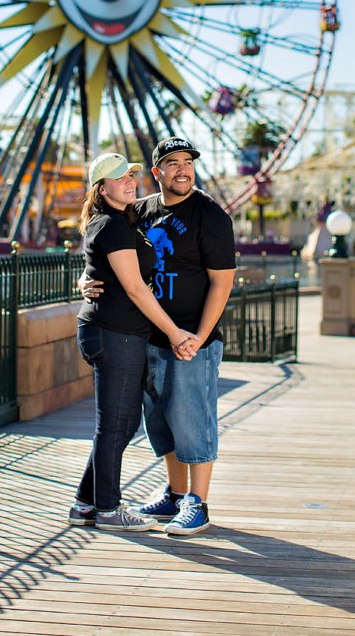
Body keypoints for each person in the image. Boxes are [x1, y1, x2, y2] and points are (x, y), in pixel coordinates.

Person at [82, 137, 236, 536]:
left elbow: (222, 283)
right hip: (147, 336)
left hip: (189, 338)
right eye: (172, 163)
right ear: (157, 173)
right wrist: (85, 278)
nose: (182, 169)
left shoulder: (211, 215)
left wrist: (199, 336)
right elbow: (110, 251)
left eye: (188, 162)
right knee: (160, 421)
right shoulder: (142, 211)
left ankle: (197, 503)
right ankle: (174, 493)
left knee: (193, 420)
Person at [69, 152, 197, 532]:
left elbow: (99, 266)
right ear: (101, 187)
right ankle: (108, 510)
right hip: (115, 335)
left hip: (115, 332)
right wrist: (175, 333)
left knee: (119, 425)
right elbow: (137, 289)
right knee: (115, 426)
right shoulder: (113, 225)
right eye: (119, 178)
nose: (129, 182)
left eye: (130, 175)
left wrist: (82, 279)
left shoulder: (121, 220)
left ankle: (85, 505)